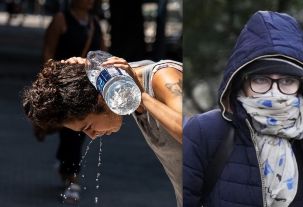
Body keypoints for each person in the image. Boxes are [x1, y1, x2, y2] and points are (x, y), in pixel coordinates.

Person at [183, 11, 303, 207]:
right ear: (240, 82)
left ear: (301, 86)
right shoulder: (205, 132)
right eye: (261, 80)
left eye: (287, 81)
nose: (275, 93)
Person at [22, 56, 183, 206]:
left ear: (101, 100)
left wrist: (139, 95)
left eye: (88, 126)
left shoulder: (163, 78)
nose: (92, 135)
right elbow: (102, 71)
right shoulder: (119, 83)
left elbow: (193, 133)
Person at [37, 0, 107, 203]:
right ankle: (71, 177)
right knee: (71, 132)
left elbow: (102, 55)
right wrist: (49, 81)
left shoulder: (94, 23)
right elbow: (48, 51)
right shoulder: (61, 20)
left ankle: (67, 168)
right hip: (65, 86)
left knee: (78, 133)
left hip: (88, 88)